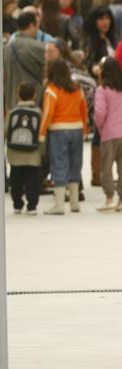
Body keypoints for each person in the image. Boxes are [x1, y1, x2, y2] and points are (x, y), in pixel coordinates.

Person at [39, 59, 88, 215]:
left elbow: (48, 113)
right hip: (77, 129)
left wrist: (41, 133)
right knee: (75, 164)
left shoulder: (51, 90)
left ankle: (59, 204)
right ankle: (74, 203)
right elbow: (84, 110)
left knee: (59, 164)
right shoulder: (77, 89)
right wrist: (85, 129)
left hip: (58, 131)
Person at [84, 6, 117, 187]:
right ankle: (97, 173)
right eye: (101, 18)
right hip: (100, 89)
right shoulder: (92, 41)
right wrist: (96, 69)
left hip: (115, 88)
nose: (105, 22)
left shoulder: (112, 39)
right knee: (99, 130)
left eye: (107, 18)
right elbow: (88, 63)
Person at [6, 83, 42, 215]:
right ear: (34, 96)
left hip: (15, 154)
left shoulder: (12, 113)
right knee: (32, 180)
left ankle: (17, 204)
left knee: (15, 179)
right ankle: (32, 205)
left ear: (18, 96)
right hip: (32, 155)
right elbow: (41, 134)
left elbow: (5, 131)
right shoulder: (38, 113)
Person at [93, 57, 122, 211]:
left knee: (106, 167)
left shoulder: (102, 90)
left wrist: (100, 126)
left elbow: (100, 112)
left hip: (109, 133)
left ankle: (109, 198)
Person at [4, 11, 46, 111]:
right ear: (31, 25)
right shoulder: (37, 47)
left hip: (11, 104)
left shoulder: (6, 48)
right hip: (33, 104)